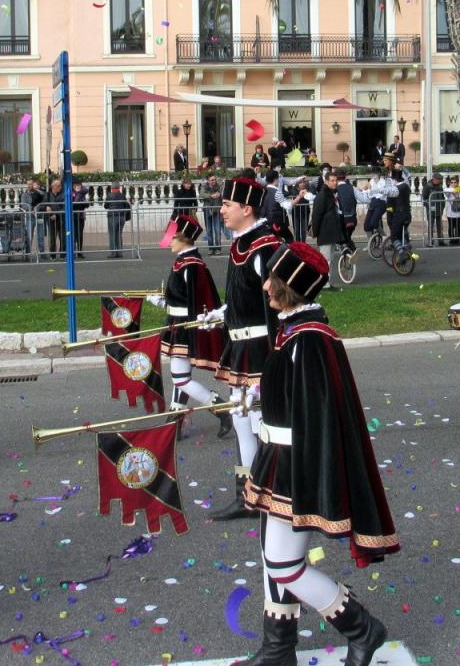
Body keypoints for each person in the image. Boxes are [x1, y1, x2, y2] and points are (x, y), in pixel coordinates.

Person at [237, 241, 398, 666]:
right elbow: (295, 398)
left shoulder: (309, 339)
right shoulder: (293, 330)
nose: (265, 284)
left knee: (285, 565)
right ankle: (278, 649)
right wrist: (259, 394)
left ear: (288, 287)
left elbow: (317, 417)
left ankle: (362, 628)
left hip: (295, 468)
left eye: (272, 277)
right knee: (273, 558)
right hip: (279, 462)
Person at [195, 175, 282, 521]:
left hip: (261, 351)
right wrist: (222, 313)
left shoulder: (265, 246)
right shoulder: (239, 243)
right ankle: (246, 496)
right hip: (240, 347)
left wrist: (275, 362)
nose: (222, 210)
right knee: (241, 419)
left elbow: (277, 306)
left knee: (261, 423)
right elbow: (242, 296)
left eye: (227, 204)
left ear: (247, 208)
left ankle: (270, 492)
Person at [149, 214, 233, 439]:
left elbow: (200, 302)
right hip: (177, 325)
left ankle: (222, 410)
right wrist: (164, 301)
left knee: (181, 379)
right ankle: (174, 422)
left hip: (185, 327)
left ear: (183, 239)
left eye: (172, 238)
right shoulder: (182, 261)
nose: (169, 242)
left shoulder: (192, 265)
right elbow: (182, 297)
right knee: (181, 376)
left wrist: (167, 304)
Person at [309, 169, 347, 281]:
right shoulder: (323, 195)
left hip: (331, 231)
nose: (335, 182)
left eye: (336, 180)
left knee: (330, 259)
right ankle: (324, 284)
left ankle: (327, 283)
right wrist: (315, 231)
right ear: (326, 181)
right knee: (325, 260)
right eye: (332, 180)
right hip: (325, 232)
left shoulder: (331, 193)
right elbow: (316, 214)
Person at [385, 168, 413, 262]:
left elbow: (390, 206)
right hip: (408, 214)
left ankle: (401, 253)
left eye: (392, 179)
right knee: (402, 234)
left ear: (394, 180)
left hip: (399, 215)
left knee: (394, 237)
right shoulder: (406, 186)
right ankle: (407, 249)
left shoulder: (395, 189)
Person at [19, 177, 46, 258]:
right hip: (30, 217)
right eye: (28, 184)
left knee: (40, 235)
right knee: (29, 235)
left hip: (39, 216)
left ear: (34, 184)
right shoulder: (24, 194)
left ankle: (42, 253)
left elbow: (44, 201)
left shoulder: (39, 193)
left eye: (31, 184)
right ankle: (28, 253)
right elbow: (23, 205)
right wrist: (31, 208)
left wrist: (37, 208)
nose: (29, 186)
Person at [38, 179, 64, 261]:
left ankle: (62, 254)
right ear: (53, 187)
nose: (60, 187)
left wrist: (55, 213)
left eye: (60, 185)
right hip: (51, 220)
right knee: (52, 238)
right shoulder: (47, 195)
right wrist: (46, 208)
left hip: (61, 219)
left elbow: (63, 207)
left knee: (62, 237)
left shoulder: (63, 195)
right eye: (58, 186)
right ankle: (52, 255)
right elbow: (41, 206)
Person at [104, 184, 131, 257]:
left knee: (112, 234)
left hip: (112, 216)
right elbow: (126, 205)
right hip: (121, 217)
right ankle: (119, 252)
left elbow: (105, 206)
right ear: (119, 188)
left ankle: (113, 252)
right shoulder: (122, 195)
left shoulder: (110, 195)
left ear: (112, 188)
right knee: (119, 234)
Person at [334, 171, 358, 252]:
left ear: (336, 178)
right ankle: (350, 248)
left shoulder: (335, 189)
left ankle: (347, 250)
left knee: (342, 238)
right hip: (352, 217)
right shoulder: (352, 188)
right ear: (345, 177)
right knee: (347, 235)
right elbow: (363, 198)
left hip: (341, 218)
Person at [201, 175, 224, 255]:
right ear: (208, 181)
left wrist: (219, 194)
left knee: (217, 230)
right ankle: (211, 248)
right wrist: (211, 195)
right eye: (212, 180)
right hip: (207, 210)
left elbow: (222, 193)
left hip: (217, 210)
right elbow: (202, 194)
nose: (214, 181)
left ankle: (218, 249)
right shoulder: (204, 187)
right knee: (209, 230)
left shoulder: (219, 186)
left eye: (214, 179)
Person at [421, 172, 445, 245]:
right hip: (430, 209)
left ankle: (441, 241)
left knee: (440, 225)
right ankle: (430, 241)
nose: (440, 181)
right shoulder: (427, 186)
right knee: (431, 226)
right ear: (434, 179)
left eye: (440, 180)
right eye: (439, 180)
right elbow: (424, 198)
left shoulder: (440, 186)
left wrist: (442, 205)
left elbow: (442, 197)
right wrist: (428, 206)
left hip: (439, 208)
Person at [443, 175, 460, 246]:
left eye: (455, 182)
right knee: (451, 227)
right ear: (449, 183)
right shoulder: (448, 190)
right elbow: (446, 190)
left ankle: (457, 240)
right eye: (451, 182)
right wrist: (456, 189)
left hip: (459, 213)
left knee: (458, 227)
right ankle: (452, 240)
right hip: (451, 213)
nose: (453, 184)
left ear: (457, 183)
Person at [70, 179, 89, 257]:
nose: (79, 187)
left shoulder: (82, 194)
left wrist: (79, 194)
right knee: (74, 234)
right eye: (77, 186)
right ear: (74, 186)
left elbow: (86, 204)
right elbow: (73, 204)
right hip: (73, 216)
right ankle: (73, 251)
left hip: (80, 216)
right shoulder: (71, 193)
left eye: (80, 186)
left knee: (80, 234)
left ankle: (80, 252)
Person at [290, 177, 312, 241]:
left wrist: (308, 181)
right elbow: (292, 193)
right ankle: (297, 243)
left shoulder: (308, 189)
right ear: (297, 183)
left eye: (303, 182)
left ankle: (303, 244)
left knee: (303, 230)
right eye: (300, 182)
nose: (302, 184)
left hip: (305, 212)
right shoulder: (294, 189)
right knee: (296, 230)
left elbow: (313, 191)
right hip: (296, 212)